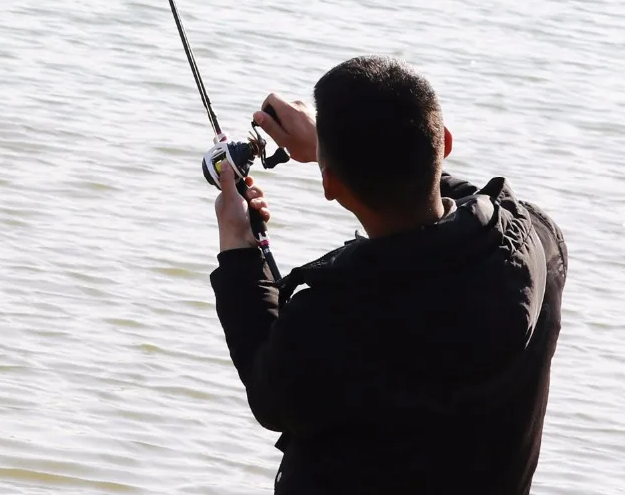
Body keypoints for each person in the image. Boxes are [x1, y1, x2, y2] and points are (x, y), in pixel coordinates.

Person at [210, 56, 567, 495]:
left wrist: (239, 245)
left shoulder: (337, 316)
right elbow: (470, 201)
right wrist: (330, 150)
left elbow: (271, 393)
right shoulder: (534, 239)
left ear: (330, 186)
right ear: (446, 143)